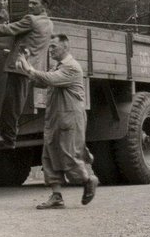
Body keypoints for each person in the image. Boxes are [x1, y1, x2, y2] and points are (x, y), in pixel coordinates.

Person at [16, 34, 98, 209]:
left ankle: (88, 180)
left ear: (65, 48)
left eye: (54, 46)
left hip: (70, 118)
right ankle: (56, 196)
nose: (50, 50)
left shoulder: (71, 67)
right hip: (55, 118)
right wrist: (26, 68)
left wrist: (29, 68)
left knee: (69, 156)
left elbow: (48, 79)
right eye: (50, 46)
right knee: (49, 155)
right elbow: (42, 80)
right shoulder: (58, 67)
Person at [0, 0, 55, 147]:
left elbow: (8, 30)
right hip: (30, 69)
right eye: (29, 3)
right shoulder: (49, 23)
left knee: (11, 105)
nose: (30, 6)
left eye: (34, 3)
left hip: (19, 67)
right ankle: (8, 137)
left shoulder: (31, 20)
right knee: (16, 104)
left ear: (44, 6)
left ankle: (8, 139)